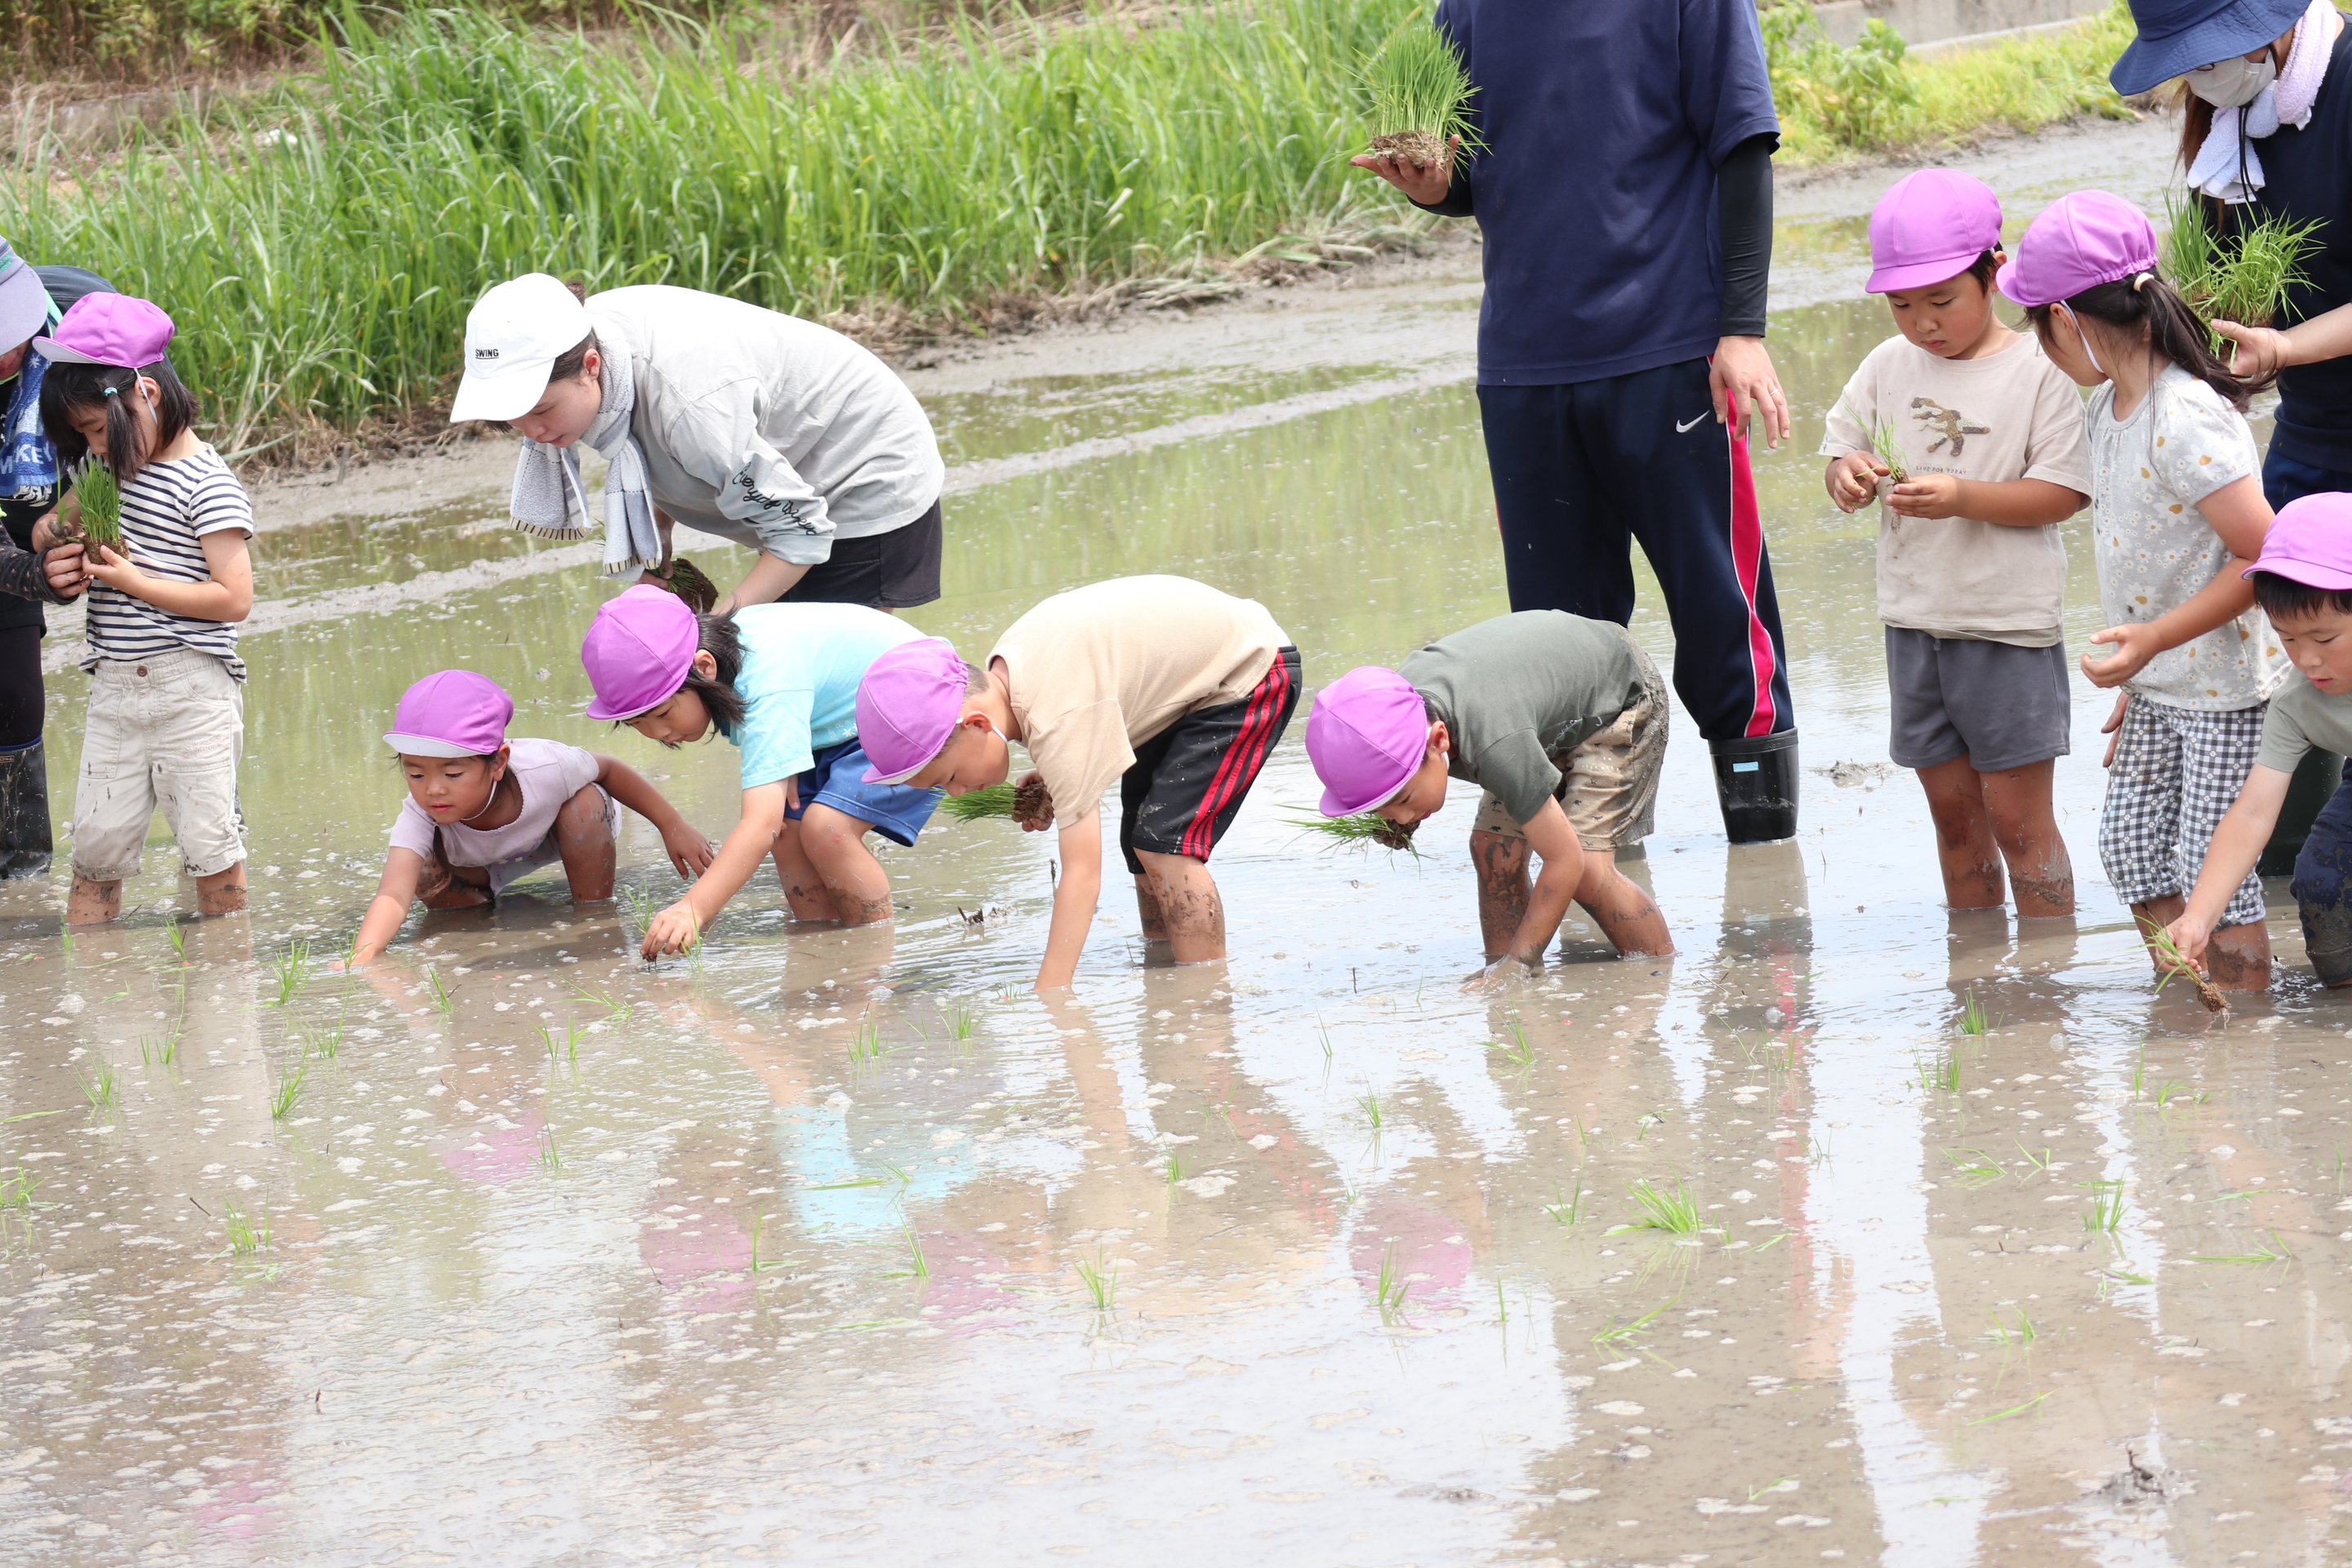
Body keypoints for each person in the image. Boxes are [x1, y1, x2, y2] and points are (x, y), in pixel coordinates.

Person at [1352, 0, 1800, 843]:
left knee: (1723, 617)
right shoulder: (1469, 8)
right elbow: (1475, 171)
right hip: (1525, 365)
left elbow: (1742, 146)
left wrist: (1742, 329)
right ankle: (1602, 882)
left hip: (1668, 348)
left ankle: (1767, 882)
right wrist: (1438, 189)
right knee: (1559, 646)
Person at [2005, 190, 2286, 988]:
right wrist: (2144, 666)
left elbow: (2265, 558)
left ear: (2065, 318)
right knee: (2130, 851)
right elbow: (2145, 559)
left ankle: (2241, 1028)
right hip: (2162, 685)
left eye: (2036, 326)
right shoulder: (2106, 410)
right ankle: (2196, 997)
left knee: (2213, 872)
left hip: (2226, 689)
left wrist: (2156, 641)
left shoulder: (2184, 416)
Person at [2114, 0, 2352, 866]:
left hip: (2318, 387)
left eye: (2211, 52)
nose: (2202, 76)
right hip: (2317, 423)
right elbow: (2228, 278)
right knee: (2285, 618)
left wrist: (2285, 344)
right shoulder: (2233, 120)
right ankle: (2289, 874)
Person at [1820, 169, 2091, 919]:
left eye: (1942, 301)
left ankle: (2043, 981)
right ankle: (1974, 981)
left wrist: (1964, 497)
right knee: (1954, 818)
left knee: (2017, 818)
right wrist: (1847, 476)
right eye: (1902, 305)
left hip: (2007, 628)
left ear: (1994, 275)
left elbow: (2063, 494)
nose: (1922, 323)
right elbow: (1841, 452)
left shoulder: (2042, 371)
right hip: (1915, 624)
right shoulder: (1887, 365)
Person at [853, 576, 1300, 991]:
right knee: (1140, 844)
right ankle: (1165, 972)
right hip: (1189, 681)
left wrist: (1050, 993)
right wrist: (1055, 772)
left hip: (1250, 669)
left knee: (1165, 845)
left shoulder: (1057, 716)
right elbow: (1091, 699)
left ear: (975, 723)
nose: (954, 791)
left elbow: (1083, 876)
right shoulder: (1011, 673)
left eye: (947, 777)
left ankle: (1202, 999)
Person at [448, 274, 945, 616]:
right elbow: (649, 446)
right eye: (514, 419)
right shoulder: (584, 339)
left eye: (541, 411)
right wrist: (658, 549)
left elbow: (801, 531)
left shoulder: (692, 409)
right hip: (787, 466)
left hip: (864, 469)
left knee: (831, 687)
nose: (534, 433)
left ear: (592, 366)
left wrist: (722, 624)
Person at [38, 294, 256, 927]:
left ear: (147, 396)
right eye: (81, 437)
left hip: (192, 690)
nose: (94, 448)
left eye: (99, 431)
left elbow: (233, 598)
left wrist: (133, 580)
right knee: (95, 853)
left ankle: (225, 992)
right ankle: (97, 1008)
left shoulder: (206, 483)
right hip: (114, 692)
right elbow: (49, 524)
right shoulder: (105, 471)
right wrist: (58, 542)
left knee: (210, 849)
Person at [580, 585, 946, 956]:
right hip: (840, 721)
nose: (659, 734)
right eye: (637, 723)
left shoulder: (766, 682)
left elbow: (759, 825)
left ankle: (875, 961)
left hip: (915, 707)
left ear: (704, 667)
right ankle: (821, 953)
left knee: (827, 828)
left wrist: (694, 907)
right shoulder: (730, 661)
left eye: (662, 714)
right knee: (788, 831)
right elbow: (773, 827)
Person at [1302, 612, 1673, 977]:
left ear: (1439, 740)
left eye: (1403, 800)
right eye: (1382, 809)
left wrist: (1520, 962)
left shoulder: (1495, 745)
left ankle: (1656, 972)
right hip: (1540, 715)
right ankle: (1500, 981)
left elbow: (1566, 861)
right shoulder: (1395, 713)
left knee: (1589, 869)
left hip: (1619, 695)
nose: (1400, 817)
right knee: (1493, 851)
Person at [348, 670, 713, 965]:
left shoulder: (547, 766)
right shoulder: (420, 813)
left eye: (453, 774)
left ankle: (593, 911)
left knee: (585, 801)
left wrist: (671, 825)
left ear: (499, 762)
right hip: (476, 863)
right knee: (422, 869)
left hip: (562, 831)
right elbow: (393, 895)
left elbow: (610, 769)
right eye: (416, 774)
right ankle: (480, 911)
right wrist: (361, 958)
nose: (434, 790)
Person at [2167, 493, 2352, 983]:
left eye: (2324, 639)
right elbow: (2252, 813)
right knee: (2320, 882)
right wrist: (2199, 916)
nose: (2306, 659)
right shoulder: (2297, 703)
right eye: (2287, 639)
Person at [0, 238, 109, 879]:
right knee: (10, 690)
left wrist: (74, 526)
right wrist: (27, 573)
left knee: (154, 643)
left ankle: (208, 831)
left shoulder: (90, 318)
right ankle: (22, 872)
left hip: (69, 477)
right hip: (11, 512)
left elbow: (143, 444)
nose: (6, 351)